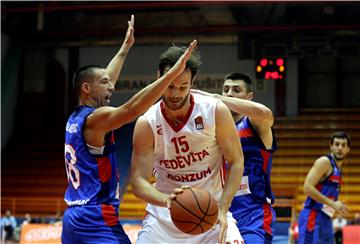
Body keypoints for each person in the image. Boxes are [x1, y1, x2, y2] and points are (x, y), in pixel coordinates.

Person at [62, 14, 198, 244]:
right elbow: (132, 109)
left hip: (73, 215)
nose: (111, 85)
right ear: (87, 88)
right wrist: (171, 76)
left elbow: (105, 77)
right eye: (105, 82)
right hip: (96, 216)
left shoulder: (76, 117)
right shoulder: (96, 118)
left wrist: (125, 49)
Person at [130, 46, 244, 244]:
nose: (175, 93)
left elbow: (236, 161)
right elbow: (139, 181)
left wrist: (223, 210)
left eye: (183, 87)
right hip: (162, 219)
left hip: (211, 214)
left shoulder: (215, 111)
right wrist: (167, 201)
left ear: (193, 82)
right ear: (159, 77)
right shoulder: (147, 122)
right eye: (170, 86)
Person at [192, 72, 276, 243]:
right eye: (226, 90)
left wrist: (214, 97)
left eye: (236, 90)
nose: (229, 93)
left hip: (253, 216)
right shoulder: (213, 128)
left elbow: (265, 114)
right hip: (218, 212)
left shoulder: (254, 124)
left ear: (249, 96)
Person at [298, 131, 351, 244]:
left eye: (343, 145)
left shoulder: (338, 169)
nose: (340, 148)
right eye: (336, 144)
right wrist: (332, 203)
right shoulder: (325, 162)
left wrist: (337, 205)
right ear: (331, 146)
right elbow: (307, 187)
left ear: (348, 149)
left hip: (326, 218)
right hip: (312, 215)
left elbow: (327, 194)